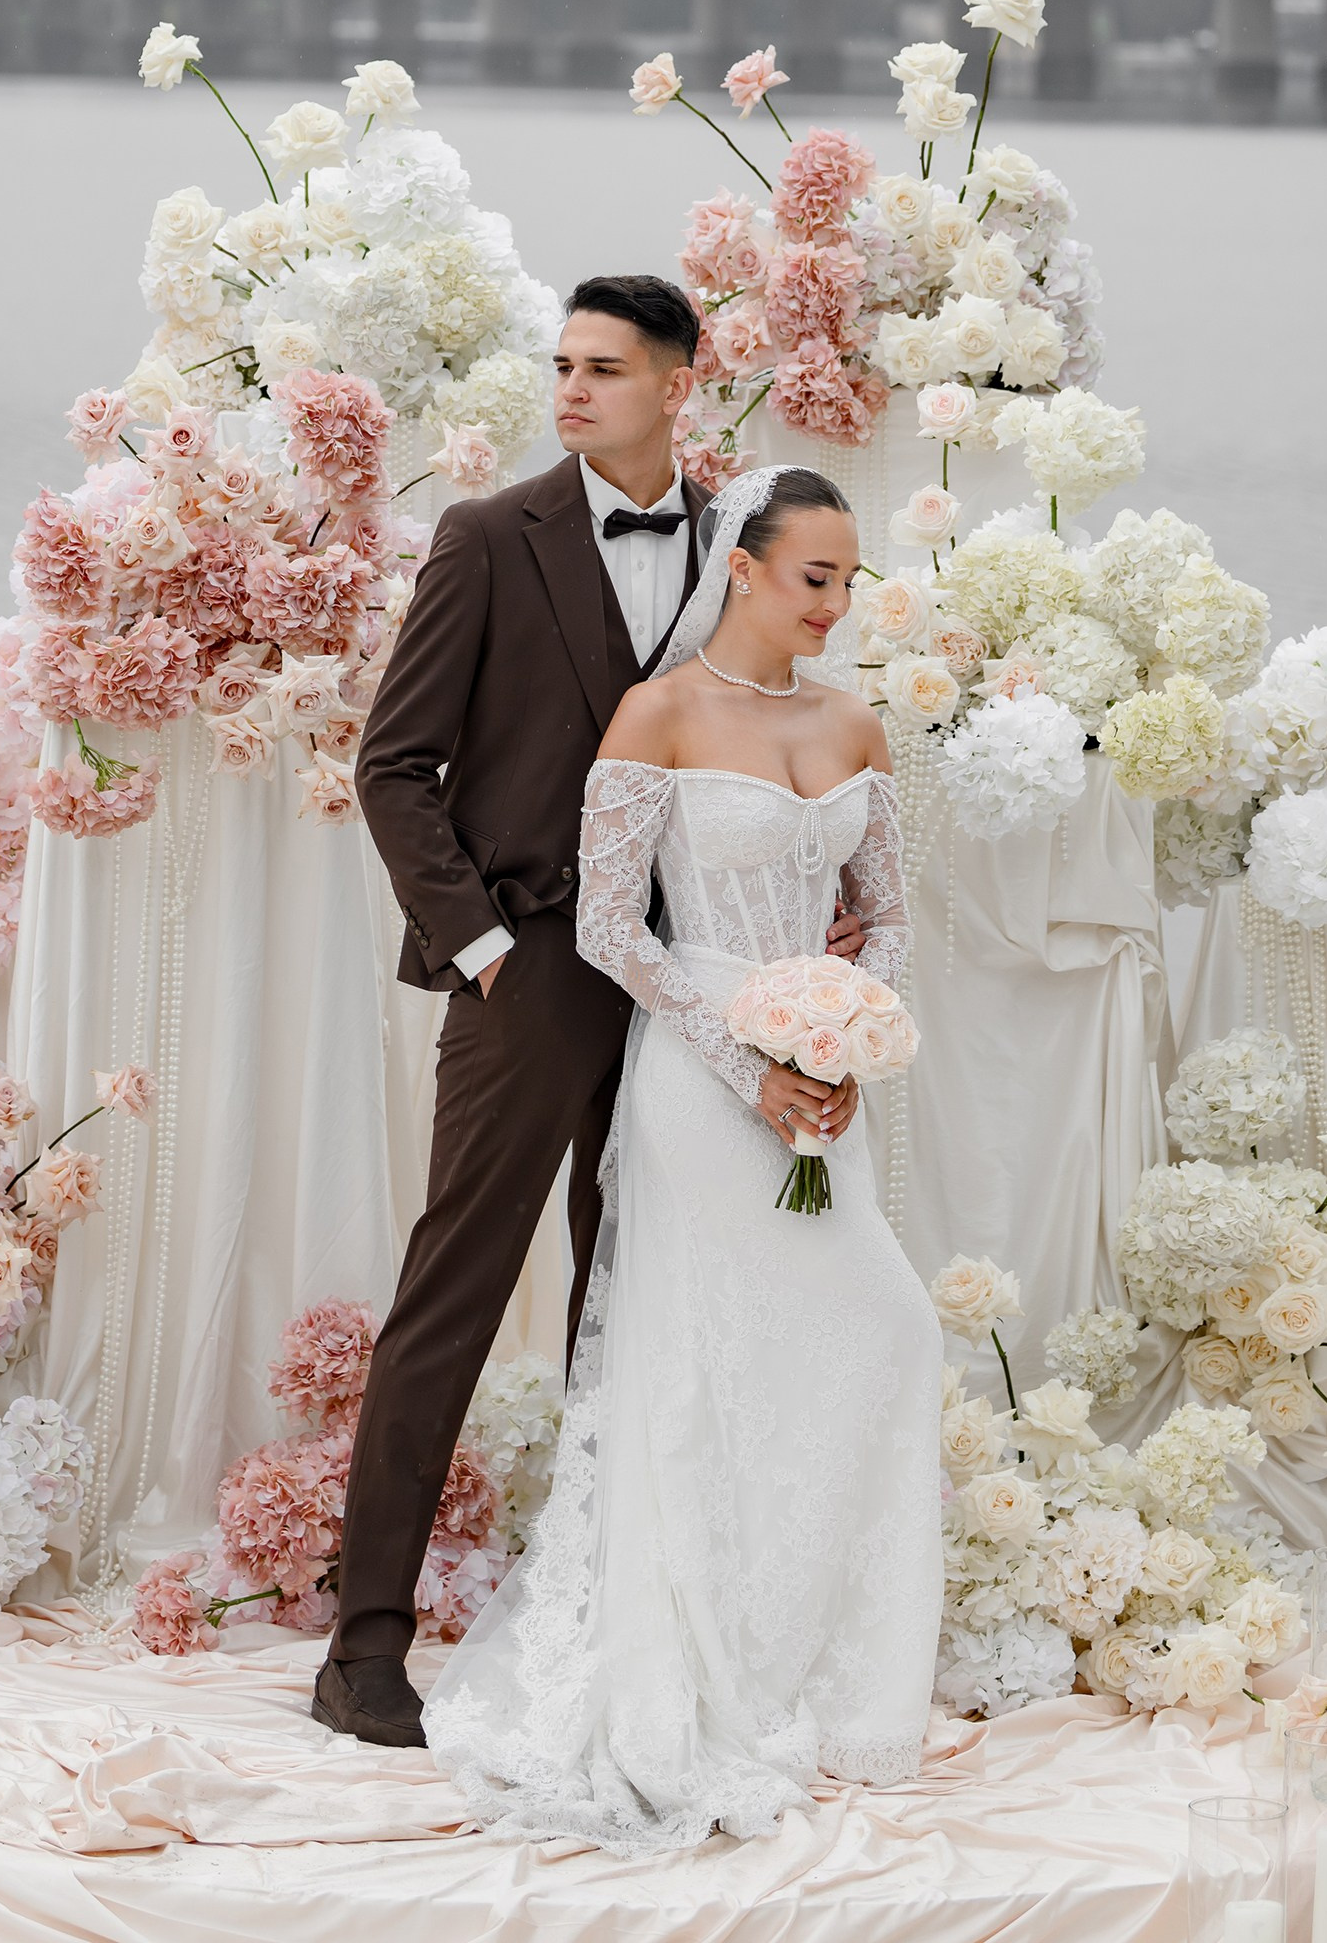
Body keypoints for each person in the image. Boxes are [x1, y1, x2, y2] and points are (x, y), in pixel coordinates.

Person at [424, 466, 945, 1855]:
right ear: (747, 570)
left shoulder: (857, 725)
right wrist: (749, 1059)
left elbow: (885, 916)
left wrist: (842, 1046)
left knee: (880, 1333)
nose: (837, 603)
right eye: (815, 576)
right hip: (702, 1070)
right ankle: (695, 1661)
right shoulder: (659, 713)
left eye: (850, 579)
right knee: (704, 1360)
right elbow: (609, 928)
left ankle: (820, 1664)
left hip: (823, 1088)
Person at [314, 274, 715, 1747]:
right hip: (532, 965)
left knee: (642, 1295)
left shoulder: (737, 540)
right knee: (456, 1294)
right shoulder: (492, 538)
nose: (569, 390)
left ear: (680, 383)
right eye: (560, 365)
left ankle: (622, 1624)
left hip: (685, 983)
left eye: (603, 369)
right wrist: (481, 947)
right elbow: (393, 765)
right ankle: (362, 1648)